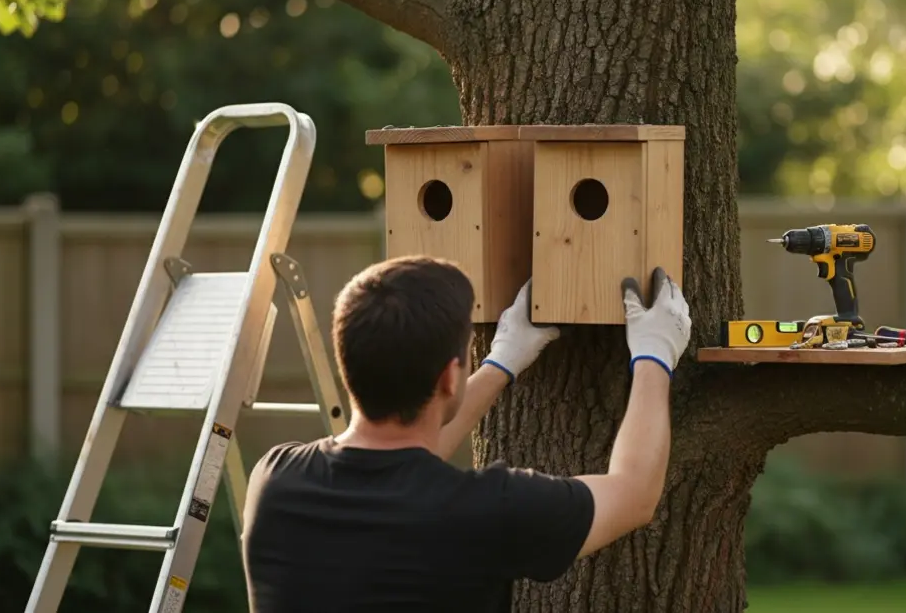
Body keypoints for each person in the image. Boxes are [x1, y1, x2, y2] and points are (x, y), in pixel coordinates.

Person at [239, 255, 692, 613]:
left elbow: (397, 455)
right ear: (449, 379)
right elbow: (634, 495)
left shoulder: (275, 479)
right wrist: (655, 354)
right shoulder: (484, 511)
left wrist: (500, 364)